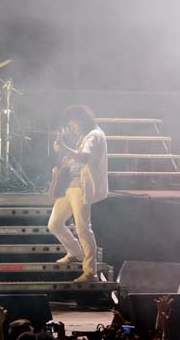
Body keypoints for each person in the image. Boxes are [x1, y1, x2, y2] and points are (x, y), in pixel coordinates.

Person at [47, 105, 109, 283]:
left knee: (83, 228)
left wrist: (65, 149)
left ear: (82, 120)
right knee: (54, 224)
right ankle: (76, 253)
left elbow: (84, 157)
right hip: (70, 185)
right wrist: (62, 162)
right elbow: (75, 159)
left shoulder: (95, 135)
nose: (73, 128)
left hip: (81, 187)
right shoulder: (84, 136)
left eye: (74, 125)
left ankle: (90, 272)